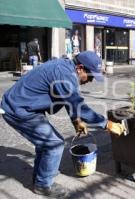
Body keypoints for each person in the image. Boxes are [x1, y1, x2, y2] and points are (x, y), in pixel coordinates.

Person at [0, 51, 127, 197]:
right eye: (90, 76)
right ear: (80, 68)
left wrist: (76, 121)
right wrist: (108, 125)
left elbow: (68, 100)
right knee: (55, 144)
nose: (91, 80)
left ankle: (40, 177)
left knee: (46, 144)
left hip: (26, 106)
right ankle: (43, 185)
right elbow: (79, 106)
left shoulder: (66, 69)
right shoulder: (64, 74)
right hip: (18, 109)